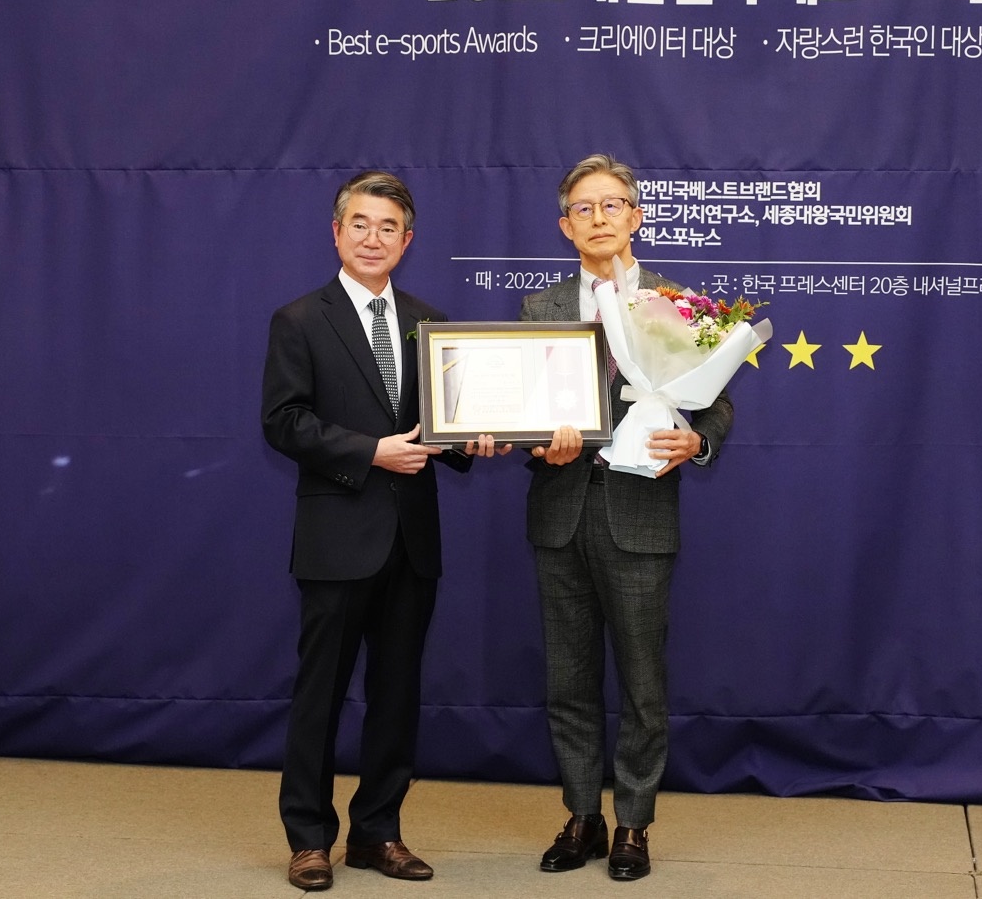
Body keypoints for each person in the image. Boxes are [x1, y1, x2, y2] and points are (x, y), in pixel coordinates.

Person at [262, 170, 506, 891]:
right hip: (337, 537)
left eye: (389, 227)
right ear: (337, 232)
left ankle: (378, 832)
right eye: (361, 224)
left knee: (397, 696)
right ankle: (309, 838)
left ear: (407, 240)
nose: (374, 238)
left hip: (412, 539)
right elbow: (284, 422)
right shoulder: (298, 319)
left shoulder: (431, 322)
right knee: (321, 697)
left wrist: (475, 440)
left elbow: (443, 427)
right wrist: (370, 452)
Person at [519, 154, 734, 882]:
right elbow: (521, 402)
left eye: (612, 205)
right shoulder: (541, 309)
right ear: (565, 226)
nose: (599, 218)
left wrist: (698, 442)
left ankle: (633, 824)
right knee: (568, 680)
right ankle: (582, 815)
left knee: (643, 684)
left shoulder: (677, 305)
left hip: (639, 514)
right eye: (583, 208)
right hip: (559, 511)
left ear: (636, 217)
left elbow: (716, 403)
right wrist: (531, 440)